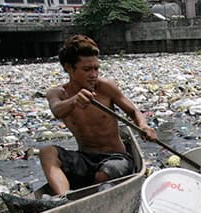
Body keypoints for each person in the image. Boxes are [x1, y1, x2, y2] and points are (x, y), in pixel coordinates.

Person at [40, 35, 157, 195]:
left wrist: (144, 126)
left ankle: (86, 195)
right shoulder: (58, 93)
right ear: (69, 68)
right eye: (87, 69)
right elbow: (56, 110)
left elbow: (133, 111)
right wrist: (74, 101)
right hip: (86, 159)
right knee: (47, 152)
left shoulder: (105, 87)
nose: (94, 74)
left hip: (116, 158)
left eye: (96, 68)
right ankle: (64, 199)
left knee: (105, 174)